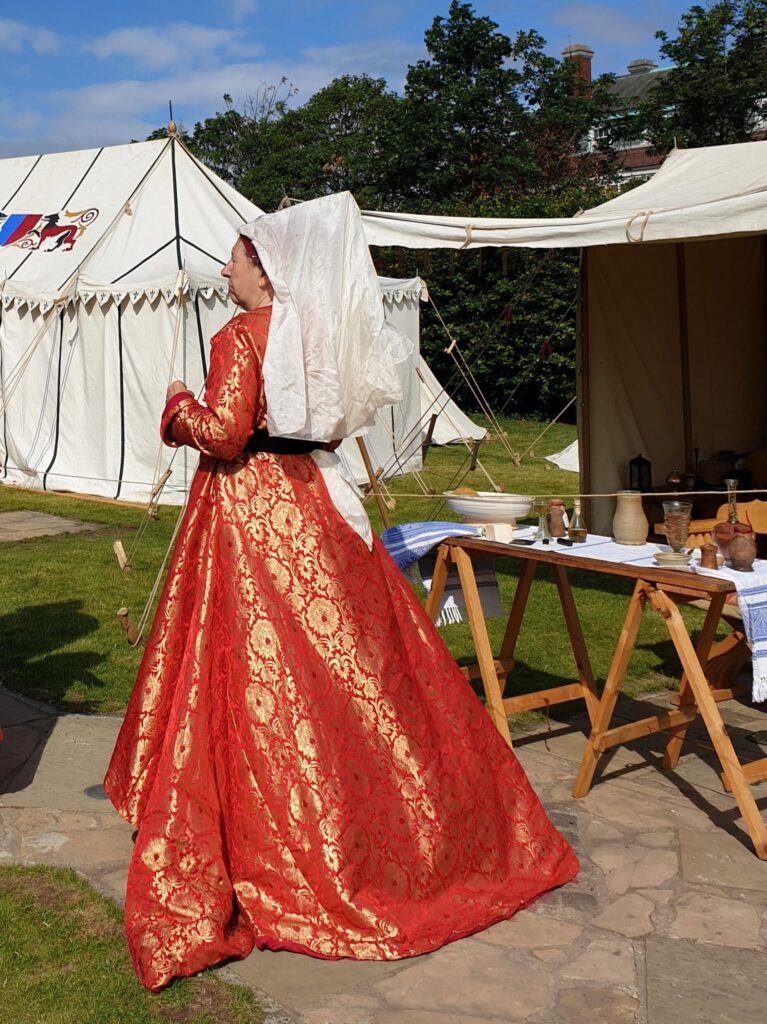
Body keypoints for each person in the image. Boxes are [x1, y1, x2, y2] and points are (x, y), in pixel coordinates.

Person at [105, 195, 578, 992]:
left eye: (235, 258)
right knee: (359, 667)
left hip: (252, 507)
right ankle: (418, 825)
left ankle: (264, 834)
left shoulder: (241, 335)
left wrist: (176, 407)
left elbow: (223, 435)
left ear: (265, 267)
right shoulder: (319, 336)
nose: (224, 269)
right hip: (315, 500)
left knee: (249, 669)